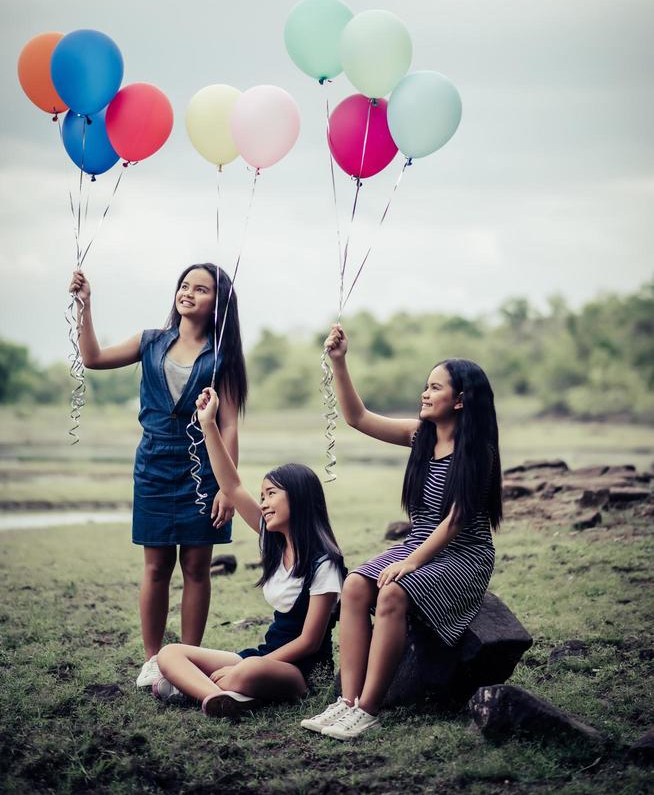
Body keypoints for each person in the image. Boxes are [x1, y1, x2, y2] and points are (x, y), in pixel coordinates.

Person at [302, 324, 503, 740]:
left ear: (461, 400)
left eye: (435, 388)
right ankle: (346, 702)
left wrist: (410, 564)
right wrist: (339, 361)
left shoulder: (477, 452)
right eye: (425, 387)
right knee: (356, 584)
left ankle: (368, 710)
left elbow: (455, 520)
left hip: (464, 555)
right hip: (419, 543)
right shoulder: (419, 436)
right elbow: (357, 417)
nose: (425, 394)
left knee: (394, 591)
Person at [69, 263, 247, 688]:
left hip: (204, 469)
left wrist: (229, 487)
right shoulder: (150, 341)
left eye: (200, 289)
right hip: (152, 466)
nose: (188, 293)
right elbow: (92, 359)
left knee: (197, 567)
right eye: (184, 286)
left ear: (216, 302)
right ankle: (153, 661)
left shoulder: (223, 355)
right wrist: (85, 306)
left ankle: (189, 659)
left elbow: (230, 426)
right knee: (155, 568)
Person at [154, 386, 346, 718]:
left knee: (248, 672)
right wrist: (208, 423)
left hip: (299, 671)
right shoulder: (273, 542)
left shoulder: (324, 563)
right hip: (264, 656)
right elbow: (231, 486)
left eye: (271, 494)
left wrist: (251, 667)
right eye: (262, 495)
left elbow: (310, 643)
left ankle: (220, 688)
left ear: (297, 499)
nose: (263, 503)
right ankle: (218, 697)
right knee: (169, 654)